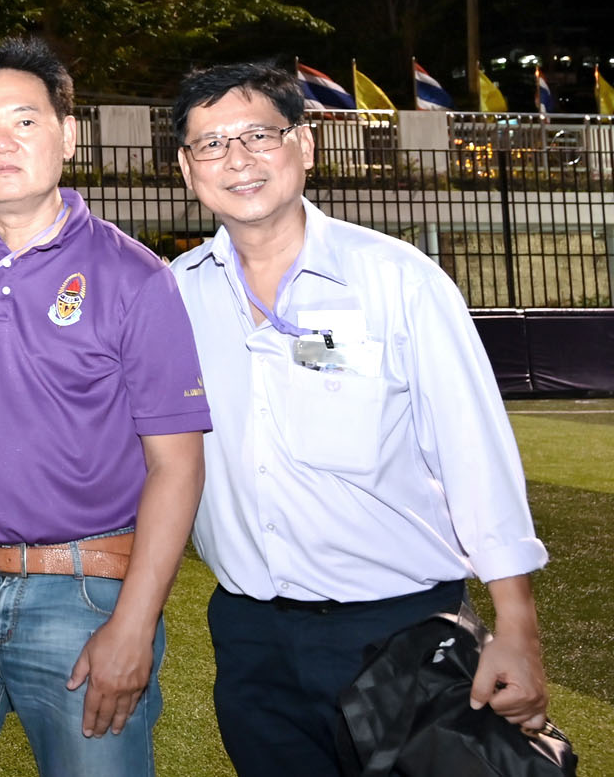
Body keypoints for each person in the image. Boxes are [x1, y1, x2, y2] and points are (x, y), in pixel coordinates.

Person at [167, 61, 550, 774]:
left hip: (399, 629)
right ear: (188, 169)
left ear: (305, 145)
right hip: (251, 641)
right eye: (212, 144)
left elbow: (474, 453)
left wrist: (517, 625)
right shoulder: (173, 297)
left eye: (259, 135)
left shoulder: (399, 280)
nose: (239, 159)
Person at [0, 38, 211, 777]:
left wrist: (134, 622)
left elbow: (178, 467)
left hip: (84, 594)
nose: (3, 141)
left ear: (68, 134)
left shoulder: (135, 277)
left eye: (25, 120)